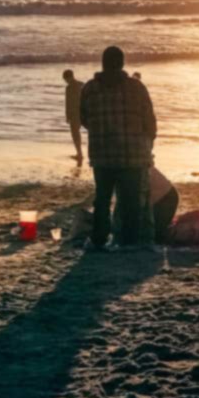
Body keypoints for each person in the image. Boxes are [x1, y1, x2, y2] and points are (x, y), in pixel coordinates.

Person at [80, 45, 157, 249]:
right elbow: (149, 119)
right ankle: (129, 241)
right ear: (122, 63)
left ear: (103, 64)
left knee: (102, 200)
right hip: (131, 155)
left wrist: (102, 130)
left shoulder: (89, 88)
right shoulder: (137, 87)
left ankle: (99, 239)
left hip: (102, 154)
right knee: (130, 201)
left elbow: (84, 119)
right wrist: (148, 142)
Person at [62, 69, 84, 164]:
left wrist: (67, 115)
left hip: (74, 113)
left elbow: (68, 102)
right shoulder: (81, 85)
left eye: (65, 79)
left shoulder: (69, 88)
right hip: (83, 112)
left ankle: (79, 153)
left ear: (68, 78)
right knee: (78, 134)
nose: (65, 81)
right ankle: (80, 153)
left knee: (75, 134)